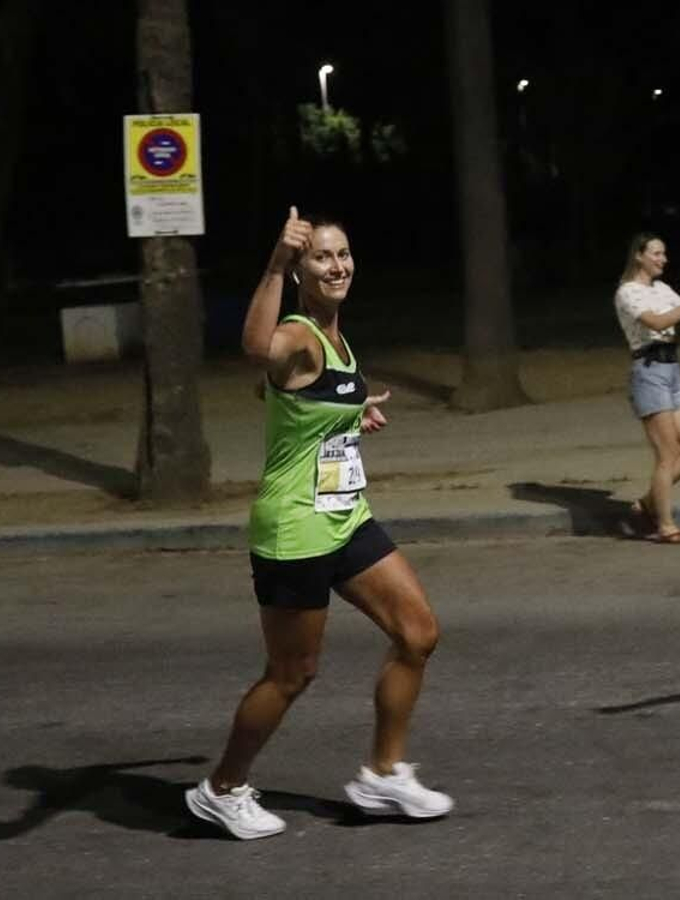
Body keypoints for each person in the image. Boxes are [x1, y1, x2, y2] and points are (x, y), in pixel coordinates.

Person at [185, 207, 453, 839]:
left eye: (344, 255)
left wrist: (349, 419)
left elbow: (287, 399)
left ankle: (382, 775)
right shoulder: (301, 333)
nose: (338, 266)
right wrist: (276, 259)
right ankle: (221, 789)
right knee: (292, 674)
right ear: (302, 271)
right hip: (296, 530)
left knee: (417, 634)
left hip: (344, 517)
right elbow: (259, 352)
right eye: (322, 257)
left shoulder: (334, 336)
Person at [613, 233, 680, 544]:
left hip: (672, 371)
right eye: (657, 254)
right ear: (639, 256)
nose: (664, 259)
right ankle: (665, 525)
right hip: (649, 372)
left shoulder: (660, 288)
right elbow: (657, 323)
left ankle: (647, 503)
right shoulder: (628, 292)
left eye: (664, 254)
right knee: (668, 454)